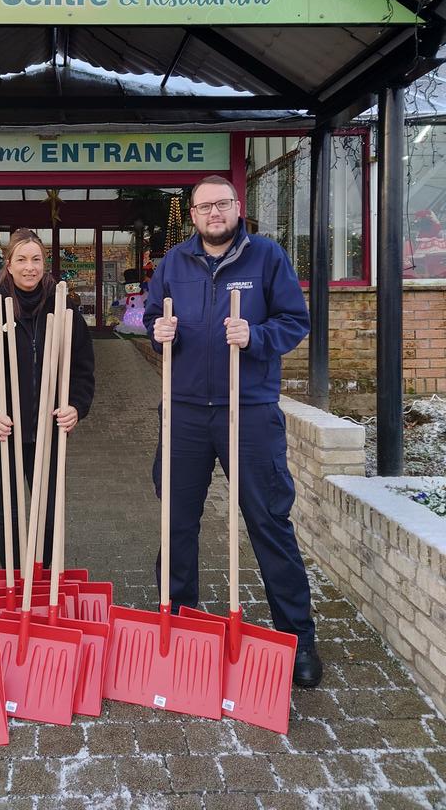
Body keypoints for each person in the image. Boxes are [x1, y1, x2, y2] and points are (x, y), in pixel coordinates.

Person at [143, 175, 322, 688]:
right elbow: (154, 316)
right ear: (193, 214)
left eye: (222, 204)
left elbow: (295, 319)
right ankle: (177, 623)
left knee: (268, 521)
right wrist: (159, 333)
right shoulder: (175, 263)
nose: (214, 214)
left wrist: (258, 335)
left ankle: (297, 635)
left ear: (236, 208)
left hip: (250, 410)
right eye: (204, 207)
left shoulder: (266, 257)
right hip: (184, 413)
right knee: (175, 522)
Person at [0, 228, 95, 568]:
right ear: (9, 264)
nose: (29, 267)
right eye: (21, 260)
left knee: (48, 507)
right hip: (2, 432)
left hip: (49, 431)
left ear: (44, 264)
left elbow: (83, 367)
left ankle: (46, 582)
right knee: (11, 511)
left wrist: (76, 406)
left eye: (36, 260)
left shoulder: (63, 307)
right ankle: (16, 586)